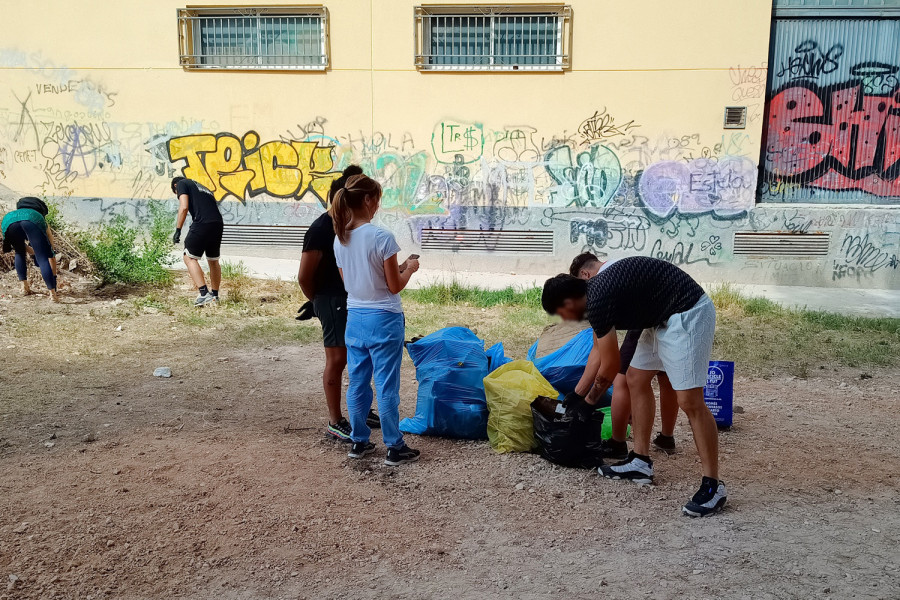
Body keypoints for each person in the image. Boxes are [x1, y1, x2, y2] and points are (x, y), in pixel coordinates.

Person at [541, 256, 726, 517]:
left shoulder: (597, 299)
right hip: (657, 315)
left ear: (570, 301)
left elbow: (610, 364)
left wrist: (590, 403)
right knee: (635, 378)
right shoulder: (593, 292)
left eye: (562, 313)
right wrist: (577, 395)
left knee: (690, 401)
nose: (566, 319)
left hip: (687, 311)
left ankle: (713, 486)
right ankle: (640, 461)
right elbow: (598, 350)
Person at [331, 174, 421, 466]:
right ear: (369, 200)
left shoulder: (340, 239)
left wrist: (399, 268)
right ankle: (394, 446)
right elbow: (394, 285)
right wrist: (410, 268)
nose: (377, 206)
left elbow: (352, 283)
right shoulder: (383, 237)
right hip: (385, 318)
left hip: (354, 318)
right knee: (386, 384)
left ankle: (359, 441)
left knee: (357, 383)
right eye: (377, 200)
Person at [298, 165, 381, 443]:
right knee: (337, 360)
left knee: (360, 356)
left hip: (354, 301)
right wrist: (319, 302)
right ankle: (336, 421)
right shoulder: (323, 227)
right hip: (332, 301)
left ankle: (360, 409)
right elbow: (304, 276)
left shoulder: (351, 226)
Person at [569, 253, 679, 456]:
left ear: (585, 274)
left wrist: (583, 398)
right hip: (676, 312)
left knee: (624, 380)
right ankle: (666, 437)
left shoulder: (601, 286)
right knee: (666, 377)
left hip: (651, 318)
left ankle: (618, 442)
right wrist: (577, 394)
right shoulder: (620, 264)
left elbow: (600, 353)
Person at [171, 176, 224, 307]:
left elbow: (184, 207)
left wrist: (178, 229)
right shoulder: (203, 188)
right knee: (213, 260)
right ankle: (215, 296)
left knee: (188, 257)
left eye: (176, 193)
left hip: (202, 222)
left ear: (175, 187)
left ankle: (204, 294)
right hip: (217, 223)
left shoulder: (182, 183)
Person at [1, 197, 59, 302]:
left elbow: (20, 246)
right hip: (30, 222)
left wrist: (33, 251)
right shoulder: (37, 216)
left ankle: (24, 288)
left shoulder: (13, 214)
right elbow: (50, 250)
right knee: (43, 259)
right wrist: (53, 279)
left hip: (8, 221)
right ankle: (53, 295)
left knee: (19, 253)